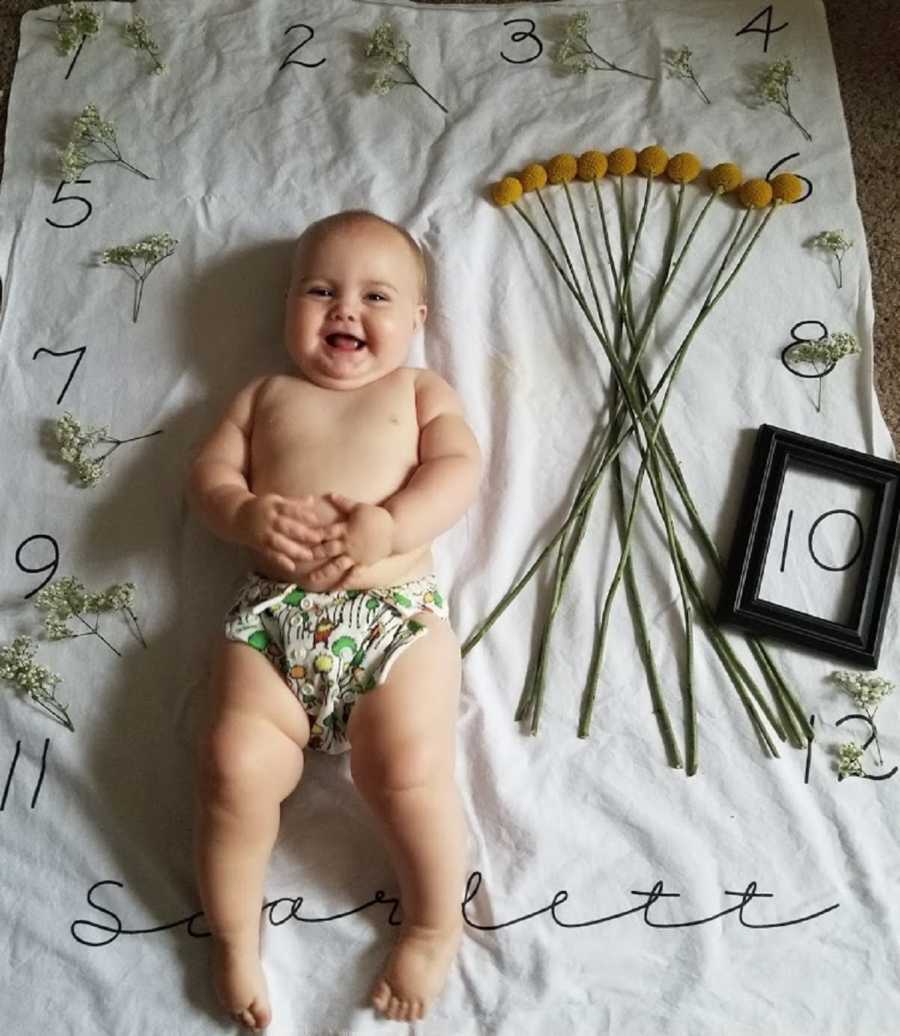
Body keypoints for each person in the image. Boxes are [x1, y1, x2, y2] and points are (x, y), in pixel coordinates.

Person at [187, 209, 481, 1030]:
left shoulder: (419, 391)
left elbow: (459, 470)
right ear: (287, 307)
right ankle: (235, 937)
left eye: (376, 296)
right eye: (320, 290)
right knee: (230, 764)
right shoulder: (263, 395)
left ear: (418, 322)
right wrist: (242, 514)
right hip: (273, 621)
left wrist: (390, 524)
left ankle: (431, 924)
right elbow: (207, 476)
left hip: (391, 620)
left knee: (408, 770)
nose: (345, 310)